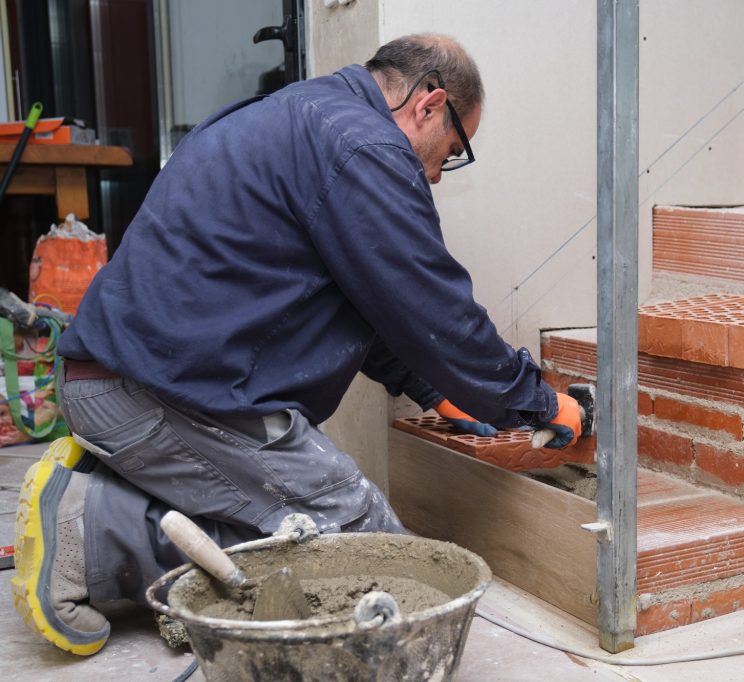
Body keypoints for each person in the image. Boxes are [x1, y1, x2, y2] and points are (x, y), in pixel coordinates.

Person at [12, 33, 581, 656]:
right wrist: (539, 403)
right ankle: (90, 532)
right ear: (428, 103)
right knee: (368, 560)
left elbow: (367, 299)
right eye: (450, 149)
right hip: (155, 395)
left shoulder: (301, 118)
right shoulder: (362, 147)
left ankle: (99, 518)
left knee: (284, 535)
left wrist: (435, 390)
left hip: (129, 382)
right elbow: (433, 309)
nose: (439, 173)